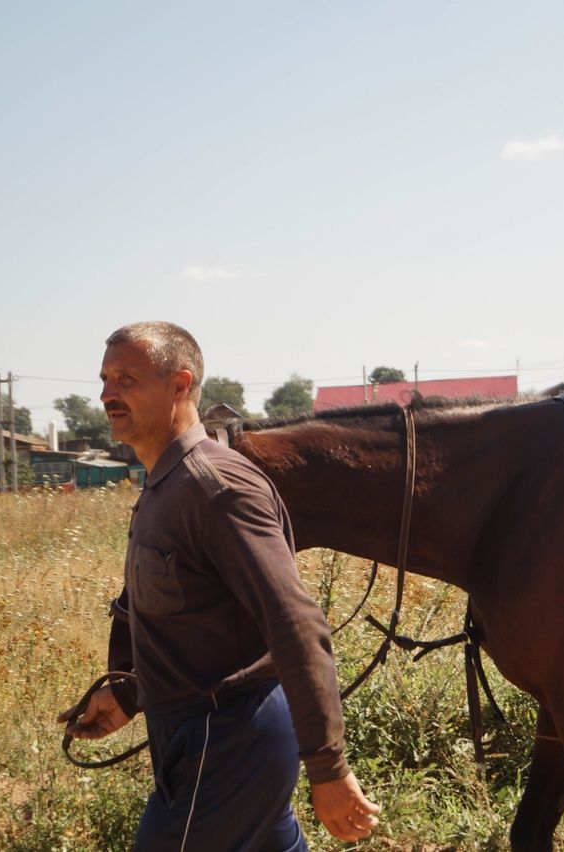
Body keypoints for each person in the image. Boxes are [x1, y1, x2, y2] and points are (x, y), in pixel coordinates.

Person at [57, 321, 379, 850]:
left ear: (180, 385)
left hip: (225, 740)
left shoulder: (217, 489)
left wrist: (328, 766)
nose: (107, 394)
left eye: (127, 378)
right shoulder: (165, 483)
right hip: (196, 736)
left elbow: (295, 624)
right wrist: (129, 692)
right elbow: (186, 621)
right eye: (106, 378)